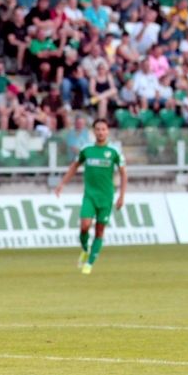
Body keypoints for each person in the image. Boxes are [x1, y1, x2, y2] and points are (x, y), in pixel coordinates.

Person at [55, 118, 127, 275]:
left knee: (100, 230)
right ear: (93, 131)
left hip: (106, 197)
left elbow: (123, 173)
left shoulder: (114, 151)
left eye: (103, 129)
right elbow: (74, 166)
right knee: (85, 226)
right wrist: (62, 183)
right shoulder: (87, 149)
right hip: (90, 195)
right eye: (98, 129)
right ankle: (85, 249)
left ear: (107, 131)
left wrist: (122, 196)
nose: (100, 132)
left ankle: (89, 263)